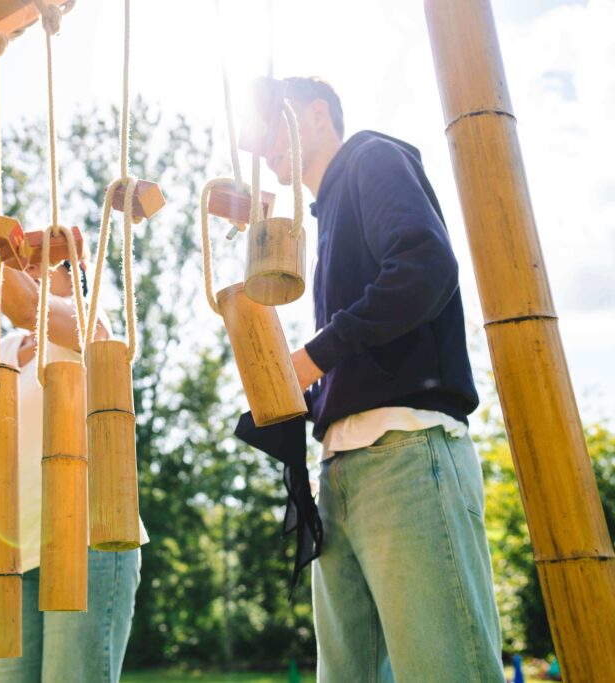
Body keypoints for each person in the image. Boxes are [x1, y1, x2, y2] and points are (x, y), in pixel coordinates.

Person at [241, 77, 505, 682]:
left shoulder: (371, 156)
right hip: (339, 474)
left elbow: (424, 266)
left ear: (314, 114)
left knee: (447, 671)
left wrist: (313, 356)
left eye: (271, 127)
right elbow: (350, 354)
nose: (264, 149)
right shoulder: (320, 217)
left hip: (406, 455)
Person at [0, 164, 147, 683]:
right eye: (27, 255)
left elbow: (21, 305)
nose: (34, 265)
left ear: (75, 267)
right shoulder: (6, 353)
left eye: (49, 256)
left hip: (88, 543)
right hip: (16, 557)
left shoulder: (90, 327)